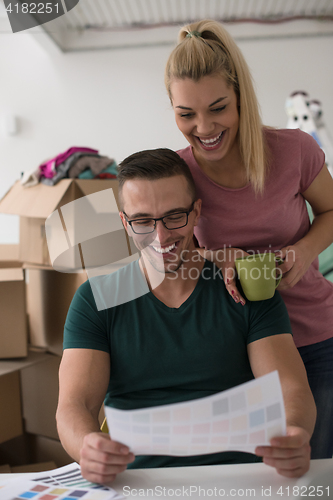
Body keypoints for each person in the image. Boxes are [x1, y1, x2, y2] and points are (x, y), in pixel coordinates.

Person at [56, 148, 316, 485]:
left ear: (196, 213)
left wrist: (294, 434)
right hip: (137, 481)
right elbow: (75, 405)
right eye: (143, 221)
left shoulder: (245, 290)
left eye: (174, 216)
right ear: (124, 222)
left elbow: (290, 390)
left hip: (240, 479)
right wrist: (86, 447)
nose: (160, 236)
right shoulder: (96, 299)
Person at [164, 19, 333, 459]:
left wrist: (306, 249)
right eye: (186, 114)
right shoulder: (177, 174)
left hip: (314, 339)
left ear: (241, 97)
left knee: (314, 470)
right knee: (245, 477)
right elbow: (162, 256)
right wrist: (211, 257)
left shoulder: (296, 150)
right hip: (229, 348)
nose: (203, 127)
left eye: (218, 107)